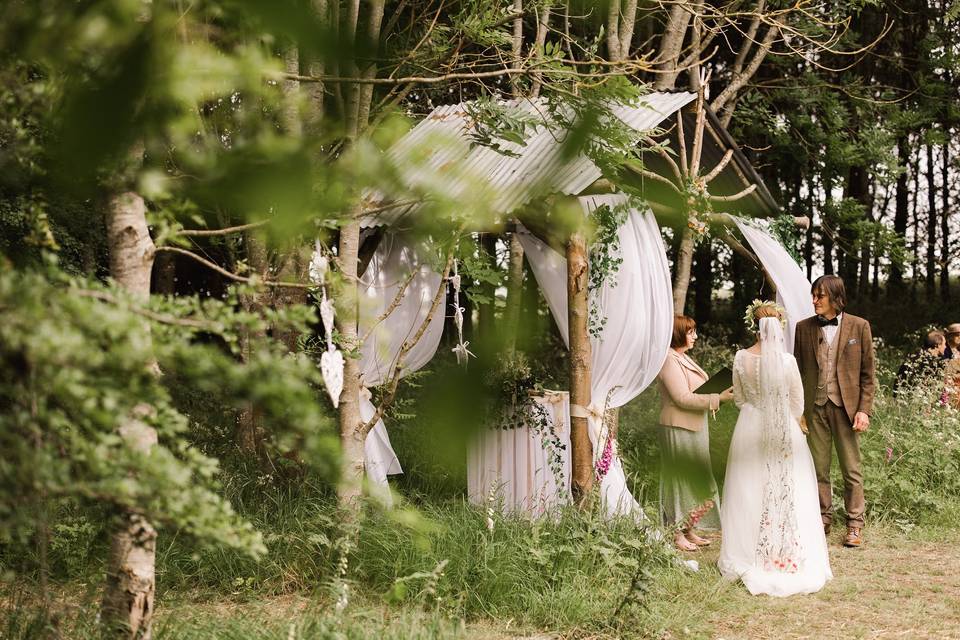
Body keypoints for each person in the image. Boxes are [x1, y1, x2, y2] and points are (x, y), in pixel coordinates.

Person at [718, 302, 832, 597]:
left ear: (753, 326)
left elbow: (740, 398)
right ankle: (787, 549)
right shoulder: (786, 362)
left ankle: (748, 552)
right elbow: (797, 402)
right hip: (784, 429)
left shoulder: (741, 358)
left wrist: (757, 409)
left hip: (750, 425)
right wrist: (785, 416)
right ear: (778, 327)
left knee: (749, 488)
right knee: (790, 487)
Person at [793, 275, 876, 548]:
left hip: (846, 409)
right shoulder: (802, 328)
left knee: (851, 469)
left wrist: (864, 410)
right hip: (814, 408)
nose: (814, 300)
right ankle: (822, 519)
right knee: (818, 468)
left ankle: (854, 525)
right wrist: (798, 410)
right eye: (813, 295)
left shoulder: (859, 326)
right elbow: (797, 372)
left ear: (835, 297)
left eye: (820, 295)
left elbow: (867, 375)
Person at [657, 314, 734, 552]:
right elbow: (682, 398)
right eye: (691, 332)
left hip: (695, 426)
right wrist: (717, 397)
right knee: (680, 480)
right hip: (678, 426)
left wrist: (718, 390)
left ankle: (689, 527)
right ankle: (675, 531)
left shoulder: (682, 358)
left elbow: (695, 390)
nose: (696, 336)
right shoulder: (668, 360)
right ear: (678, 333)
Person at [893, 331, 946, 398]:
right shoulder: (930, 362)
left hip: (901, 396)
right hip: (916, 398)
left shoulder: (914, 356)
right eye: (944, 344)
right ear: (937, 345)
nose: (945, 347)